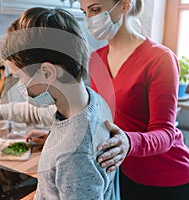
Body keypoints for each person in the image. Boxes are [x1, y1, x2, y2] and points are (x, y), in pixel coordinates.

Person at [0, 7, 117, 199]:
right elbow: (35, 113)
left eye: (20, 77)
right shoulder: (88, 101)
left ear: (47, 73)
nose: (21, 85)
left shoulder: (74, 155)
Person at [78, 0, 189, 199]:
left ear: (125, 5)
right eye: (85, 12)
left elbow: (165, 133)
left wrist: (128, 142)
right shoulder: (95, 60)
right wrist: (61, 134)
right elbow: (98, 119)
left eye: (96, 9)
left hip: (170, 178)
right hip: (126, 174)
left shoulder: (159, 59)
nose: (89, 19)